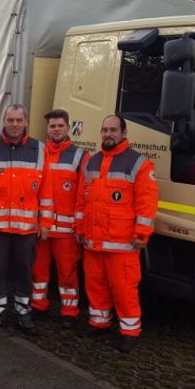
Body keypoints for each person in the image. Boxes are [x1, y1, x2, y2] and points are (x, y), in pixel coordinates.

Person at [76, 115, 157, 353]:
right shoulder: (91, 162)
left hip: (122, 243)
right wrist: (79, 228)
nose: (108, 134)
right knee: (95, 285)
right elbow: (82, 200)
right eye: (104, 130)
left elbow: (147, 202)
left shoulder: (139, 164)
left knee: (124, 288)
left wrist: (142, 233)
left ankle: (129, 330)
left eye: (113, 130)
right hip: (93, 241)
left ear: (123, 133)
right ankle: (99, 323)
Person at [0, 104, 51, 336]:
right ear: (3, 121)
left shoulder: (39, 149)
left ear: (26, 122)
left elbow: (46, 191)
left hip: (26, 230)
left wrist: (45, 224)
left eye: (19, 120)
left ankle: (23, 314)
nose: (14, 124)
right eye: (10, 120)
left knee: (24, 272)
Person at [32, 109, 88, 328]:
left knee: (67, 273)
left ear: (68, 127)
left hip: (66, 231)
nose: (56, 129)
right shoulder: (38, 153)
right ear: (48, 129)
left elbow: (84, 194)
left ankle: (69, 311)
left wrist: (79, 226)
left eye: (60, 126)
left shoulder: (80, 156)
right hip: (41, 227)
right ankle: (39, 306)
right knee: (37, 270)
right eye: (53, 126)